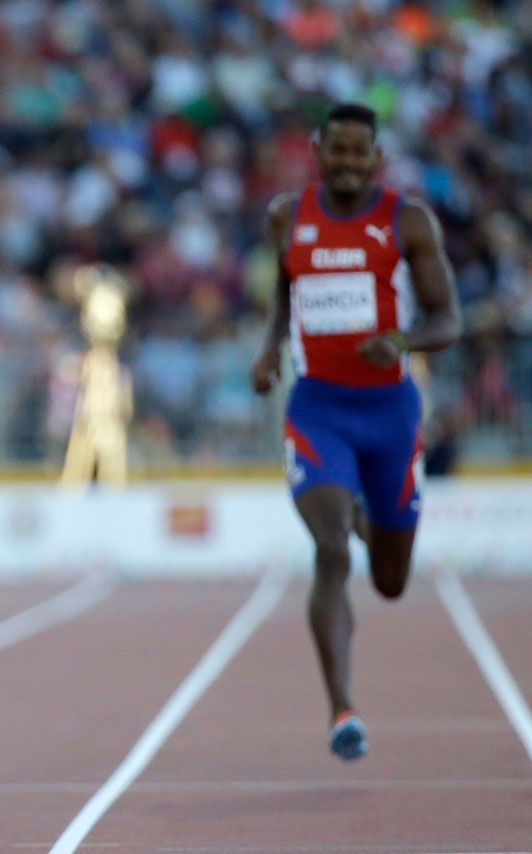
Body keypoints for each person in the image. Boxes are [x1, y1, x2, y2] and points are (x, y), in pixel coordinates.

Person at [251, 103, 460, 761]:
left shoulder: (409, 221)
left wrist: (401, 339)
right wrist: (270, 348)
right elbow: (286, 291)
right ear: (317, 148)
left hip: (390, 413)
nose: (345, 163)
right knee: (331, 549)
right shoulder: (287, 216)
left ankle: (373, 518)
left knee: (391, 582)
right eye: (334, 150)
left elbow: (449, 318)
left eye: (357, 153)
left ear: (376, 157)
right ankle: (342, 707)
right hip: (317, 411)